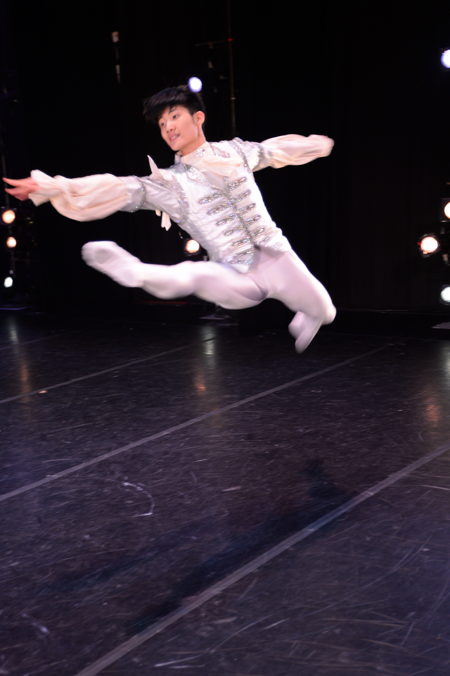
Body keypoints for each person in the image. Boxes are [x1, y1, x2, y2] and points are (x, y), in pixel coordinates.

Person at [3, 84, 336, 352]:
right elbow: (120, 187)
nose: (168, 127)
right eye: (162, 124)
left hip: (279, 258)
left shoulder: (236, 151)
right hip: (235, 275)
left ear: (198, 118)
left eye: (174, 117)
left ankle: (309, 315)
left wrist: (316, 146)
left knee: (325, 311)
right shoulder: (171, 184)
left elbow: (273, 151)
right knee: (195, 274)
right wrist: (51, 187)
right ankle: (136, 272)